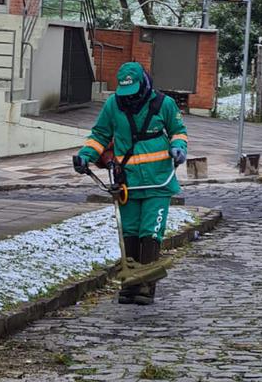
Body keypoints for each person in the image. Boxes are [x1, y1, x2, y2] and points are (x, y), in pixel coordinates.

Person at [72, 62, 188, 305]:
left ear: (143, 84)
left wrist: (178, 147)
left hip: (158, 181)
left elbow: (178, 131)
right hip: (127, 182)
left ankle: (146, 286)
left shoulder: (164, 104)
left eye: (133, 91)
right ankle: (130, 284)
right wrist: (85, 156)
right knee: (130, 232)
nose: (130, 97)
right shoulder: (113, 105)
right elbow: (100, 135)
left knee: (150, 232)